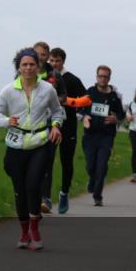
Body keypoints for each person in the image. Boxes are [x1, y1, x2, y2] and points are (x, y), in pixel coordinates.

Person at [0, 47, 65, 250]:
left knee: (33, 186)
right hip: (16, 144)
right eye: (24, 64)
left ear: (38, 66)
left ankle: (34, 228)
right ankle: (24, 231)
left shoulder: (47, 89)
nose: (28, 68)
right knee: (20, 190)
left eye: (32, 64)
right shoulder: (8, 90)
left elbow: (58, 112)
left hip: (39, 142)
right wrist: (7, 121)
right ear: (19, 67)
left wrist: (56, 126)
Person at [46, 47, 88, 213]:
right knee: (46, 160)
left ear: (63, 61)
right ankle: (46, 198)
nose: (54, 64)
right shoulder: (44, 77)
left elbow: (86, 99)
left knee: (66, 161)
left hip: (68, 125)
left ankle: (64, 193)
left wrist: (68, 102)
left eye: (57, 61)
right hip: (48, 124)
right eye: (51, 60)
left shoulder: (72, 79)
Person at [81, 65, 126, 206]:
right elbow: (80, 108)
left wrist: (115, 119)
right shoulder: (89, 92)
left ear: (109, 78)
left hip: (106, 136)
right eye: (100, 76)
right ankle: (92, 179)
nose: (102, 79)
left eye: (105, 77)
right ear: (96, 77)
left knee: (101, 166)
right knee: (90, 166)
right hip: (90, 135)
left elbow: (122, 114)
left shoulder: (114, 96)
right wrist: (84, 117)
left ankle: (98, 196)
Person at [33, 41, 67, 213]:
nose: (40, 57)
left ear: (47, 56)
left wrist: (52, 100)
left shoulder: (54, 75)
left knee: (47, 161)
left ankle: (45, 198)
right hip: (29, 125)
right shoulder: (24, 71)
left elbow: (64, 97)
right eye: (37, 53)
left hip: (49, 124)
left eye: (43, 54)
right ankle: (31, 196)